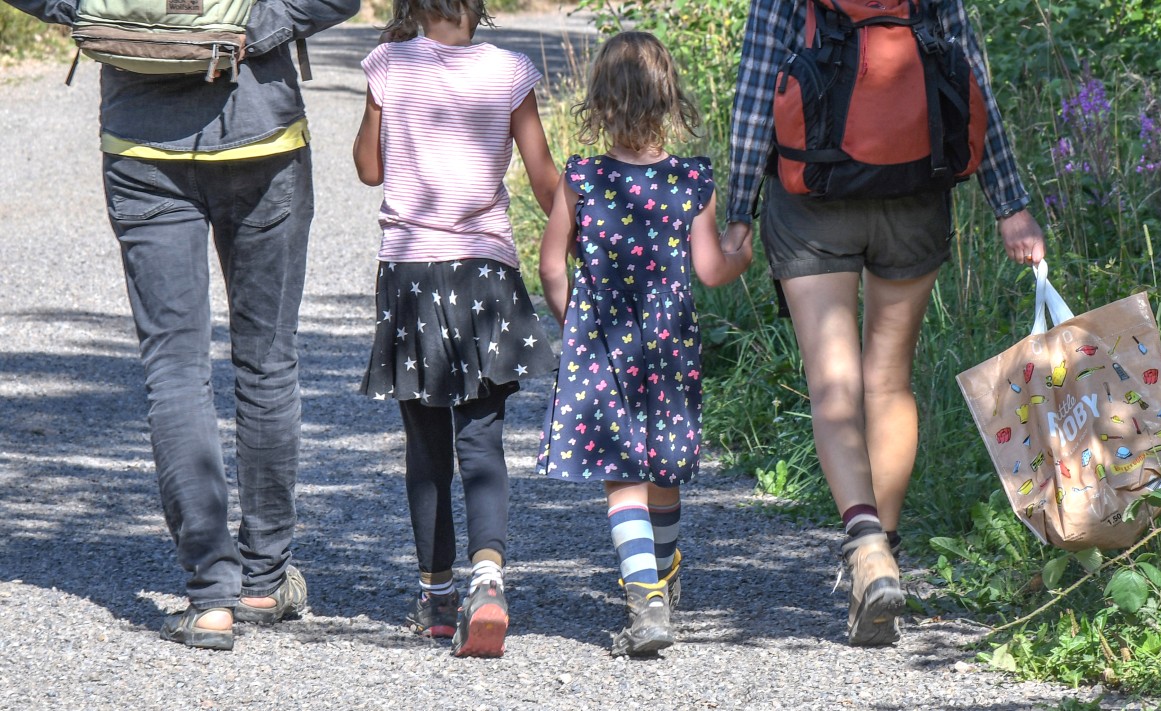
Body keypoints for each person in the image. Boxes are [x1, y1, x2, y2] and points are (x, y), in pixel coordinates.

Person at [3, 0, 359, 650]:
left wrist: (80, 10)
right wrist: (256, 28)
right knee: (267, 361)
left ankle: (211, 596)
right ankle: (262, 579)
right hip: (262, 135)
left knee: (174, 369)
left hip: (142, 145)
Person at [726, 0, 1047, 647]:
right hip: (915, 189)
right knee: (889, 380)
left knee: (834, 385)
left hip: (812, 192)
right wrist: (1010, 206)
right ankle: (887, 553)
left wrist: (738, 208)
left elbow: (759, 86)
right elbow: (969, 76)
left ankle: (867, 548)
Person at [351, 0, 560, 658]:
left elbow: (368, 168)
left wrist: (384, 82)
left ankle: (438, 599)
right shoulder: (511, 71)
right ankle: (489, 581)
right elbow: (544, 179)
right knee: (483, 439)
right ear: (480, 7)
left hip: (411, 274)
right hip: (485, 275)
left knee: (425, 447)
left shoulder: (389, 64)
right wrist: (582, 234)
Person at [537, 31, 753, 657]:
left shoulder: (581, 178)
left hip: (604, 339)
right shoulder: (692, 181)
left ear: (600, 105)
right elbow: (712, 270)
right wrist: (744, 248)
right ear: (669, 103)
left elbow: (553, 267)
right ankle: (662, 579)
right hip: (668, 345)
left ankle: (646, 596)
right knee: (663, 468)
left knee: (621, 475)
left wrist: (574, 320)